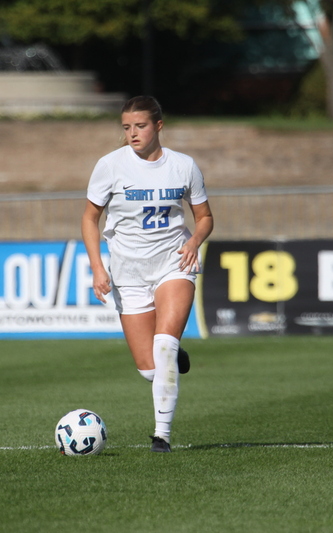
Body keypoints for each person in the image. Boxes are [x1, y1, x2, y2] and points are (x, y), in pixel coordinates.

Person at [81, 95, 214, 452]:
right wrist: (97, 267)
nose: (133, 134)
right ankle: (172, 357)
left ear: (158, 125)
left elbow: (204, 217)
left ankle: (162, 436)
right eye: (126, 127)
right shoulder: (110, 165)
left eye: (140, 126)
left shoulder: (183, 166)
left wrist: (194, 241)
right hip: (129, 272)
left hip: (174, 263)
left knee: (164, 347)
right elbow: (90, 218)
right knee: (150, 370)